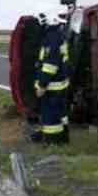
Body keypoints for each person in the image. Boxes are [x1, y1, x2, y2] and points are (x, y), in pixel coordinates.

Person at [34, 14, 70, 144]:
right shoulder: (58, 35)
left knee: (50, 115)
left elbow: (50, 66)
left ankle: (52, 140)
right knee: (61, 113)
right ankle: (63, 137)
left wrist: (42, 85)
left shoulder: (51, 39)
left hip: (52, 87)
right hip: (61, 84)